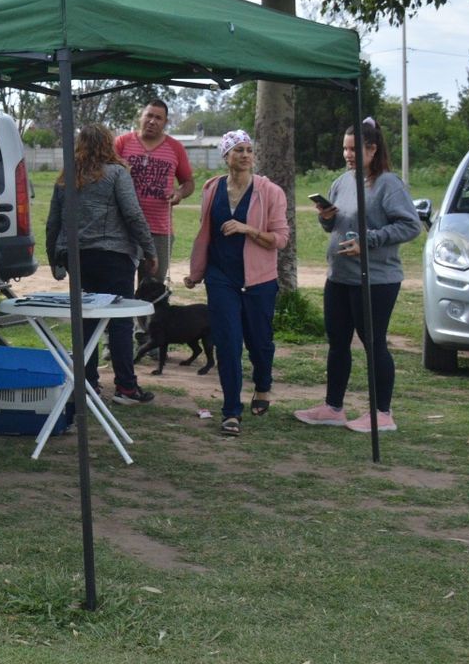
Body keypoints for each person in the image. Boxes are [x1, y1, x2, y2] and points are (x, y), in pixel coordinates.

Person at [294, 119, 420, 433]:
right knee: (337, 342)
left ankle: (382, 414)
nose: (348, 154)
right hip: (339, 276)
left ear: (372, 149)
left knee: (373, 343)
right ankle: (333, 408)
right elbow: (336, 225)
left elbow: (410, 226)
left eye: (354, 149)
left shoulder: (388, 184)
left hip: (376, 279)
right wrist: (326, 219)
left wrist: (370, 240)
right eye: (345, 149)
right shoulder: (343, 181)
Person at [184, 129, 289, 437]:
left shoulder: (270, 192)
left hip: (259, 280)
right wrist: (197, 272)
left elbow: (281, 239)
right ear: (226, 156)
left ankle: (263, 385)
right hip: (221, 279)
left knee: (259, 342)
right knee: (228, 344)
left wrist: (248, 229)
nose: (245, 154)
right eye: (238, 150)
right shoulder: (211, 189)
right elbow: (206, 233)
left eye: (248, 149)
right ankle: (231, 411)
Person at [46, 124, 158, 404]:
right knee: (120, 322)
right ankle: (126, 388)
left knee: (85, 322)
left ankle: (88, 384)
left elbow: (53, 223)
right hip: (115, 258)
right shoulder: (117, 174)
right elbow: (133, 214)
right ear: (109, 145)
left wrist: (54, 260)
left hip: (78, 258)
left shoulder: (66, 179)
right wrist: (149, 250)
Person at [115, 99, 195, 287]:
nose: (152, 121)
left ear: (165, 122)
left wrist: (179, 194)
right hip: (123, 228)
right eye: (149, 115)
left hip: (159, 230)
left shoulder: (175, 148)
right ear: (140, 117)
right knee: (119, 285)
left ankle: (147, 319)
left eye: (158, 118)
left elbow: (189, 183)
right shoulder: (122, 143)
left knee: (151, 289)